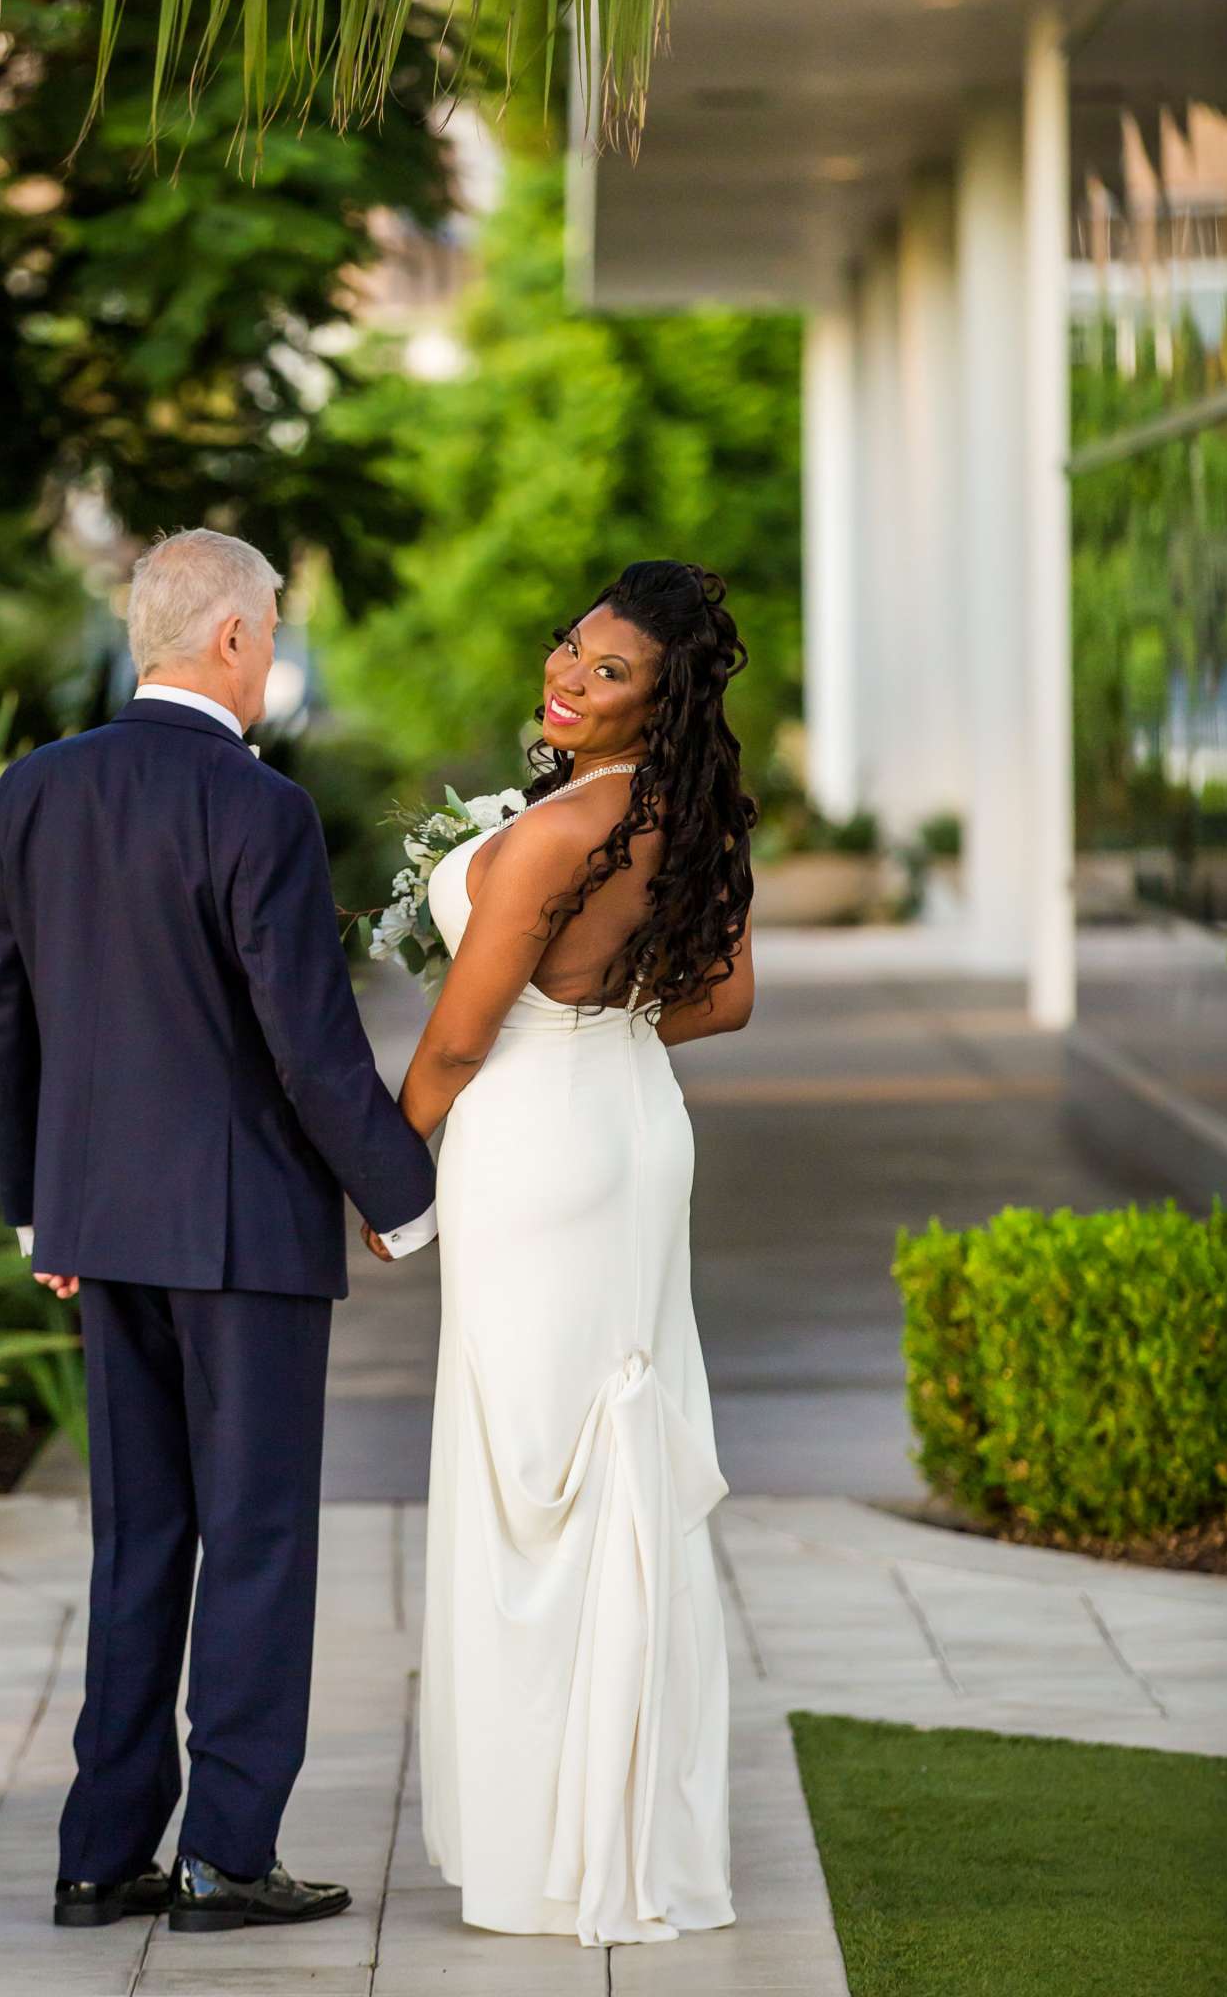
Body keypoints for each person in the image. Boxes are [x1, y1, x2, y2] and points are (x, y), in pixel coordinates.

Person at [0, 527, 438, 1936]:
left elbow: (5, 1011)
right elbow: (306, 1041)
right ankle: (227, 1856)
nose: (276, 654)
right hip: (241, 1238)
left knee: (140, 1539)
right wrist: (404, 1192)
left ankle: (101, 1855)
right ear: (231, 639)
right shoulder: (260, 809)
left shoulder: (36, 791)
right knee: (253, 1539)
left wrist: (40, 1202)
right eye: (276, 630)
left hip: (101, 1227)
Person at [374, 558, 755, 1948]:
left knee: (536, 1476)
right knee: (607, 1462)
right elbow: (722, 1001)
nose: (570, 679)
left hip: (536, 1143)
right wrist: (605, 1015)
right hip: (630, 1120)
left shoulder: (548, 835)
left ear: (661, 702)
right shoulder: (683, 815)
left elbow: (461, 1038)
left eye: (610, 675)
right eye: (570, 651)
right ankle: (627, 1825)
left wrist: (377, 1171)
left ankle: (556, 1853)